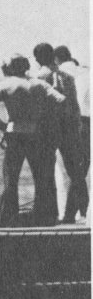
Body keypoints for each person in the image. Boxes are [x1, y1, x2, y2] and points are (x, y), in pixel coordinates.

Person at [0, 54, 66, 227]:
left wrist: (2, 126)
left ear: (11, 67)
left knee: (10, 180)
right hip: (35, 134)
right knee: (40, 178)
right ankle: (42, 219)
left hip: (14, 134)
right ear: (26, 66)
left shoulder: (5, 85)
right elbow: (60, 100)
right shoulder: (39, 84)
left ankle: (8, 220)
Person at [33, 42, 86, 222]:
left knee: (45, 172)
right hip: (69, 127)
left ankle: (48, 215)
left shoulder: (39, 77)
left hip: (48, 128)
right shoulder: (67, 76)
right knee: (75, 172)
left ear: (38, 59)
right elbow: (75, 105)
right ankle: (78, 212)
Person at [54, 45, 90, 219]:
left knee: (64, 174)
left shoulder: (57, 74)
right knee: (82, 171)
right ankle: (78, 212)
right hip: (88, 123)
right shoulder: (87, 72)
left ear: (56, 59)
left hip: (67, 125)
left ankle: (68, 214)